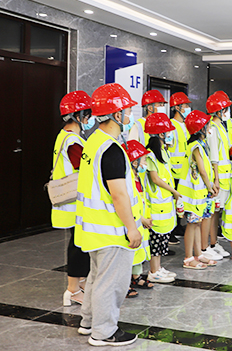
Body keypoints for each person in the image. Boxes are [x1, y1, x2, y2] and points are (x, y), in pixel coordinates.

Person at [74, 82, 141, 346]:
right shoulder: (112, 149)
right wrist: (132, 227)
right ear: (116, 114)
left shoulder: (94, 141)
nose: (130, 115)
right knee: (110, 283)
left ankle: (88, 322)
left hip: (93, 228)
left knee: (96, 277)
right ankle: (103, 332)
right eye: (127, 110)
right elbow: (118, 195)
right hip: (111, 229)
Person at [53, 91, 93, 306]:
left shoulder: (64, 135)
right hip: (74, 201)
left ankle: (81, 283)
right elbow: (84, 168)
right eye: (88, 115)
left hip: (71, 200)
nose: (89, 119)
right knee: (78, 245)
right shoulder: (73, 141)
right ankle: (72, 290)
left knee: (79, 243)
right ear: (78, 116)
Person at [143, 113, 181, 283]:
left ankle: (158, 268)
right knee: (156, 239)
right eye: (168, 132)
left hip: (165, 203)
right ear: (160, 134)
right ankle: (153, 271)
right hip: (157, 204)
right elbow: (155, 179)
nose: (170, 134)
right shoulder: (150, 155)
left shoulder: (163, 152)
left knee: (163, 238)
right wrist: (174, 191)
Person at [179, 110, 218, 269]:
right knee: (192, 224)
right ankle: (188, 258)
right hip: (192, 194)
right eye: (206, 125)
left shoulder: (201, 145)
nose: (209, 127)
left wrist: (210, 186)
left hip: (199, 193)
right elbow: (202, 170)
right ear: (200, 128)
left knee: (196, 223)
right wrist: (210, 186)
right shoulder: (196, 146)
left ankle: (198, 254)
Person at [204, 91, 232, 260]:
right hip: (218, 177)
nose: (227, 112)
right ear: (219, 110)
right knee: (211, 212)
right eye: (225, 109)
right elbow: (214, 156)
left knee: (217, 211)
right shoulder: (212, 128)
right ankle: (206, 246)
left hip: (224, 175)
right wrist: (215, 179)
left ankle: (213, 242)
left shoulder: (220, 127)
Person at [124, 140, 154, 292]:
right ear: (134, 162)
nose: (145, 163)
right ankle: (125, 282)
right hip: (134, 221)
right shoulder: (127, 179)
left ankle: (136, 276)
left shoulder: (138, 177)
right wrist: (142, 220)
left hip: (141, 222)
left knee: (139, 250)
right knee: (130, 252)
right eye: (143, 160)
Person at [168, 92, 192, 240]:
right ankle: (171, 231)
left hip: (185, 171)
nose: (188, 108)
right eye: (185, 105)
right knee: (174, 201)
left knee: (181, 201)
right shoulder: (171, 125)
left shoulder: (186, 125)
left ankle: (178, 226)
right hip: (174, 171)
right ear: (177, 107)